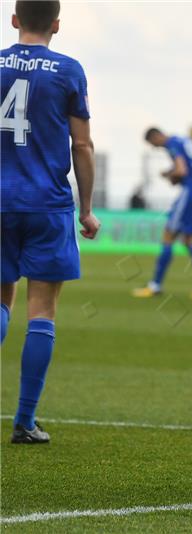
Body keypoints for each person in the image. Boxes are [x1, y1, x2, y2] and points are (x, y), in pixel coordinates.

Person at [1, 0, 100, 444]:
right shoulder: (67, 70)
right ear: (56, 25)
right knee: (41, 312)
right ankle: (24, 422)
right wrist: (87, 208)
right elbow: (82, 146)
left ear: (14, 19)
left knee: (2, 303)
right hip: (46, 203)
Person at [132, 128, 192, 299]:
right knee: (189, 240)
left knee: (168, 235)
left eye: (153, 144)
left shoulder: (172, 145)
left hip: (189, 194)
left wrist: (168, 174)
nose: (156, 147)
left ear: (156, 136)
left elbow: (181, 170)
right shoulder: (186, 141)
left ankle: (155, 285)